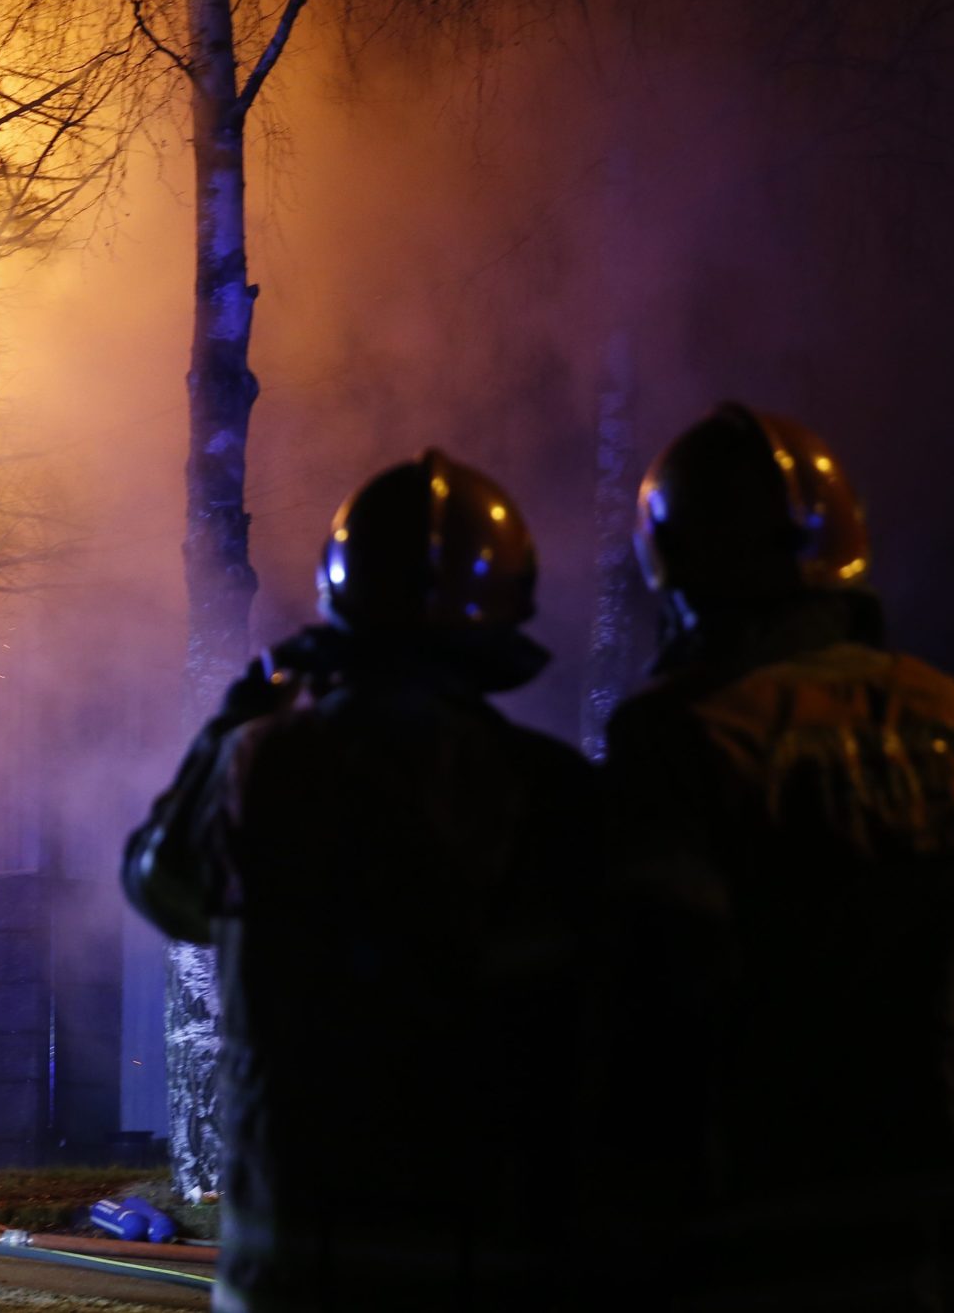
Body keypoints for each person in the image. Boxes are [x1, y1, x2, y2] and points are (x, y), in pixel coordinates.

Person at [603, 404, 954, 1312]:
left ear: (677, 561)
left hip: (782, 1244)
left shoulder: (683, 736)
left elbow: (650, 1024)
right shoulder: (949, 718)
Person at [124, 450, 599, 1312]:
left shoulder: (265, 765)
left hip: (294, 1264)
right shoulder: (553, 788)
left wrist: (228, 727)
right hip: (486, 1251)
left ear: (341, 596)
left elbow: (162, 885)